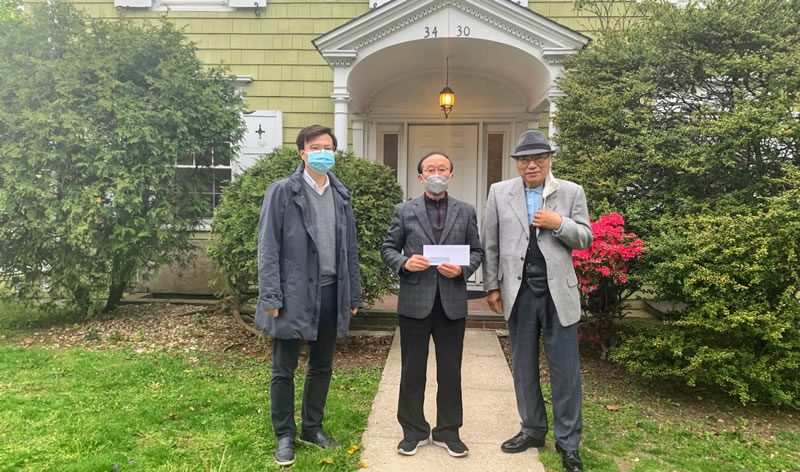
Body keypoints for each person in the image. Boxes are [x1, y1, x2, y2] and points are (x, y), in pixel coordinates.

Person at [482, 130, 592, 472]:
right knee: (523, 366)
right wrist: (492, 286)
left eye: (539, 158)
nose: (532, 165)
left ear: (549, 160)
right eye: (525, 159)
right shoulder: (499, 192)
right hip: (519, 293)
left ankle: (568, 443)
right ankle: (532, 429)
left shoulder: (571, 192)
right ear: (517, 163)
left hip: (559, 293)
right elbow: (490, 243)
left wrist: (559, 224)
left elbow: (585, 238)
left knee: (565, 372)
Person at [256, 124, 363, 466]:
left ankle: (312, 428)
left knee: (321, 366)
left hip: (331, 292)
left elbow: (349, 248)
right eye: (315, 147)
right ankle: (285, 435)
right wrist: (271, 297)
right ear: (302, 153)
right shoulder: (282, 192)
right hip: (293, 296)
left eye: (328, 147)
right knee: (283, 369)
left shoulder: (340, 196)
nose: (322, 153)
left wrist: (353, 294)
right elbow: (268, 247)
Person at [381, 152, 483, 459]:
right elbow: (388, 248)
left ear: (451, 175)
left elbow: (477, 251)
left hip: (451, 303)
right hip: (415, 302)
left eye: (442, 169)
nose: (436, 173)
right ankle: (413, 431)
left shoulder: (466, 211)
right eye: (430, 169)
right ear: (420, 176)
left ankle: (448, 432)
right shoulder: (404, 210)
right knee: (412, 370)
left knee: (450, 371)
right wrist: (404, 263)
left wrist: (463, 270)